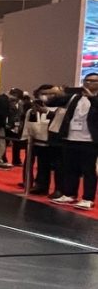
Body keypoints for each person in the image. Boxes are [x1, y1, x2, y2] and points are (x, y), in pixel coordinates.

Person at [49, 72, 98, 209]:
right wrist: (57, 93)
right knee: (70, 168)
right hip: (70, 137)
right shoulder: (75, 97)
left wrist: (92, 98)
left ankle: (88, 198)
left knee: (88, 170)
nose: (89, 83)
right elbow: (51, 102)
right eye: (87, 80)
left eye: (93, 81)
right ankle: (70, 194)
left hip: (90, 140)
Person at [24, 85, 60, 196]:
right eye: (43, 94)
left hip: (55, 140)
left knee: (58, 166)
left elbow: (60, 119)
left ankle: (59, 190)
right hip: (38, 139)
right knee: (42, 164)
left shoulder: (60, 106)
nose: (46, 96)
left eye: (50, 94)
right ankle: (40, 185)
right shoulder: (34, 108)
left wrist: (47, 112)